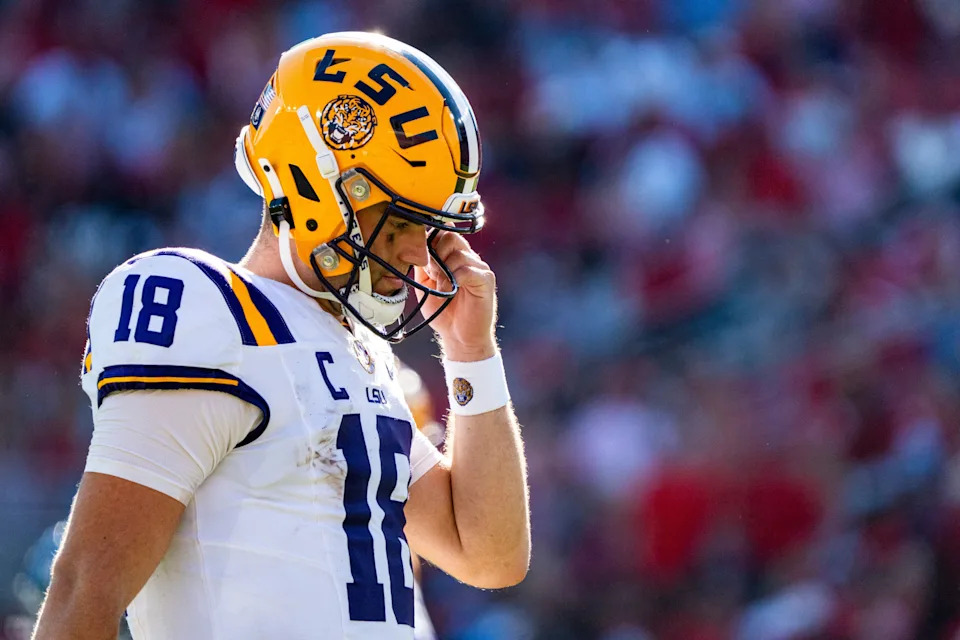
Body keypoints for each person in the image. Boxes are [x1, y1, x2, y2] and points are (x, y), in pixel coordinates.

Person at [32, 31, 529, 640]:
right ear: (316, 184)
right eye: (401, 221)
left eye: (430, 227)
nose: (419, 252)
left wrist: (472, 353)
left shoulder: (361, 354)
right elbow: (86, 584)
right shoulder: (207, 309)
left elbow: (490, 554)